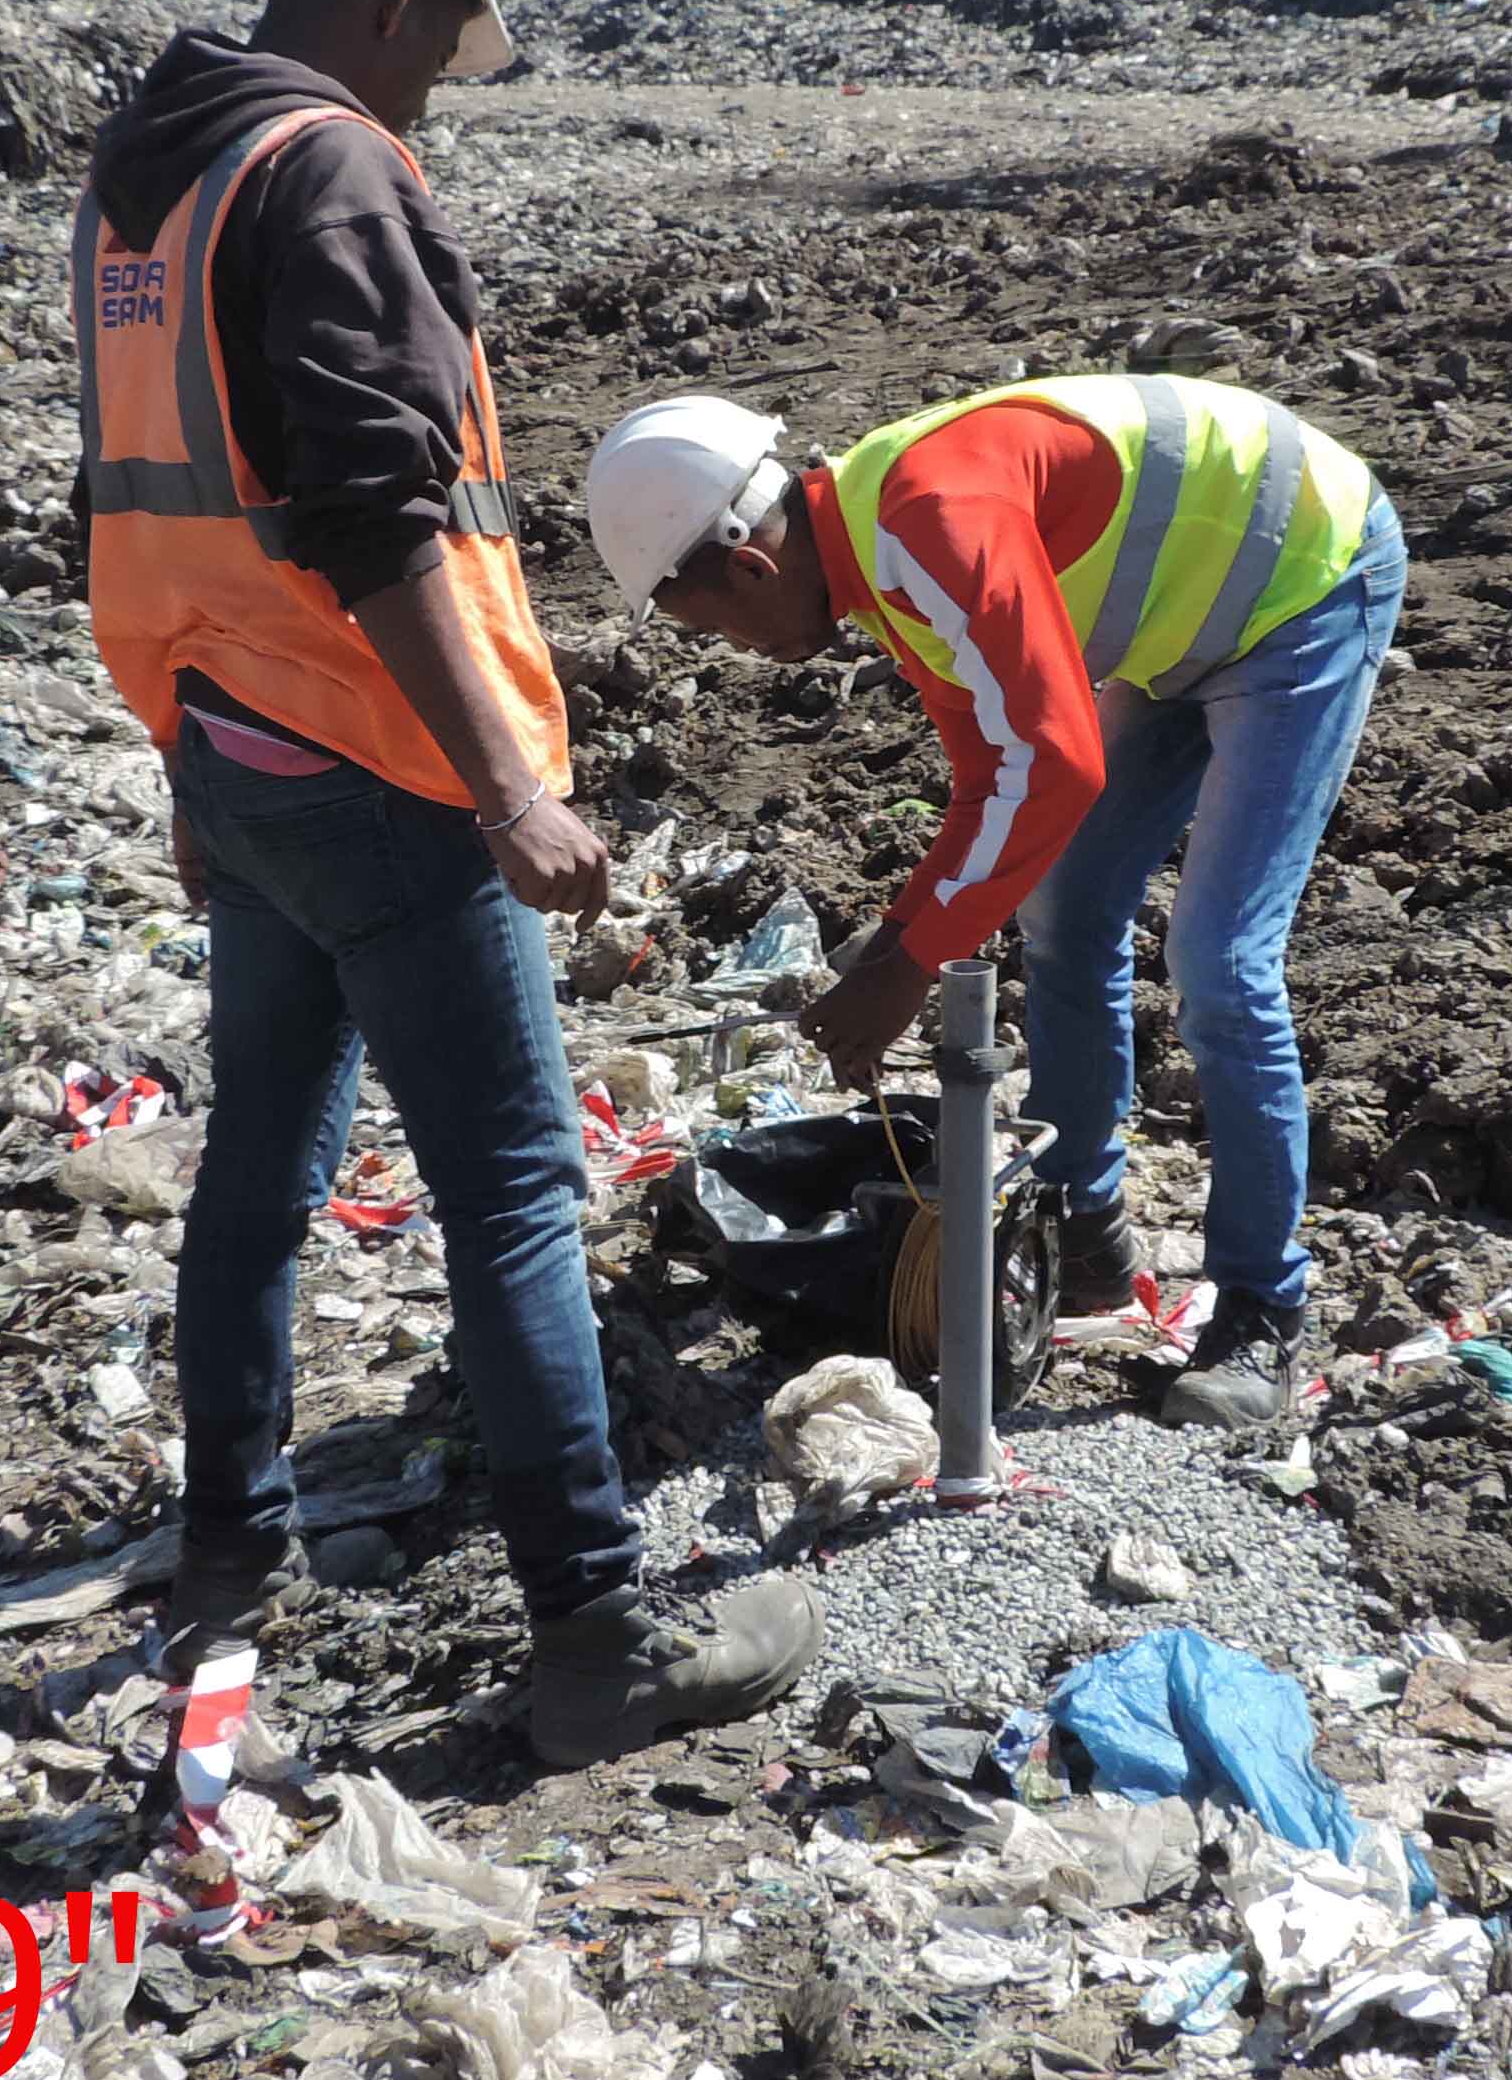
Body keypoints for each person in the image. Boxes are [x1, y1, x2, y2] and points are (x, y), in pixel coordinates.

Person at [70, 0, 818, 1764]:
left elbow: (149, 499)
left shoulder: (150, 186)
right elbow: (374, 510)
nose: (435, 96)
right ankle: (599, 1634)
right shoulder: (332, 174)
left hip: (233, 745)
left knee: (263, 1160)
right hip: (383, 767)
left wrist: (187, 756)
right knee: (509, 1194)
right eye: (438, 49)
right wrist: (506, 788)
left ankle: (228, 1542)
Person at [585, 374, 1404, 1428]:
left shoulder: (930, 527)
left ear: (751, 565)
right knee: (1061, 909)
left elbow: (1054, 764)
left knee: (1219, 957)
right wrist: (890, 944)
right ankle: (1090, 1232)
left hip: (1301, 587)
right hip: (1174, 632)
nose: (732, 653)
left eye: (712, 627)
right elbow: (993, 777)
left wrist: (912, 965)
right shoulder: (879, 565)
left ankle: (1260, 1312)